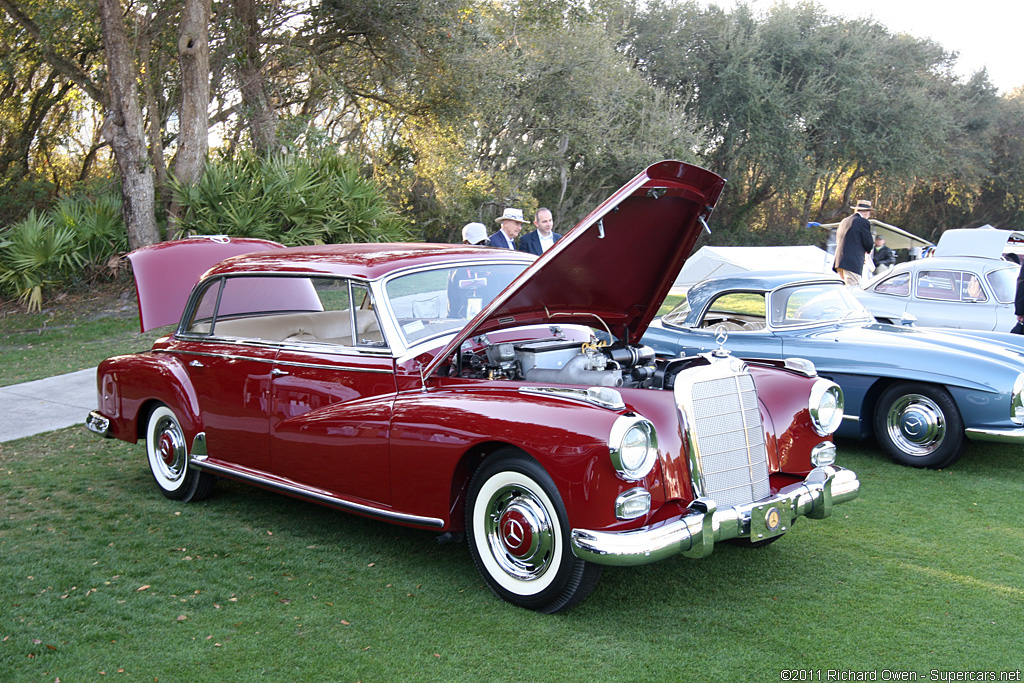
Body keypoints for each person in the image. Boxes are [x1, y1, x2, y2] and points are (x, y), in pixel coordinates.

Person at [833, 199, 875, 286]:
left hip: (839, 260)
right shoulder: (863, 222)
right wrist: (867, 251)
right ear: (867, 212)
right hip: (852, 262)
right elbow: (868, 243)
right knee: (853, 289)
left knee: (843, 288)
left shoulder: (844, 221)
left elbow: (838, 239)